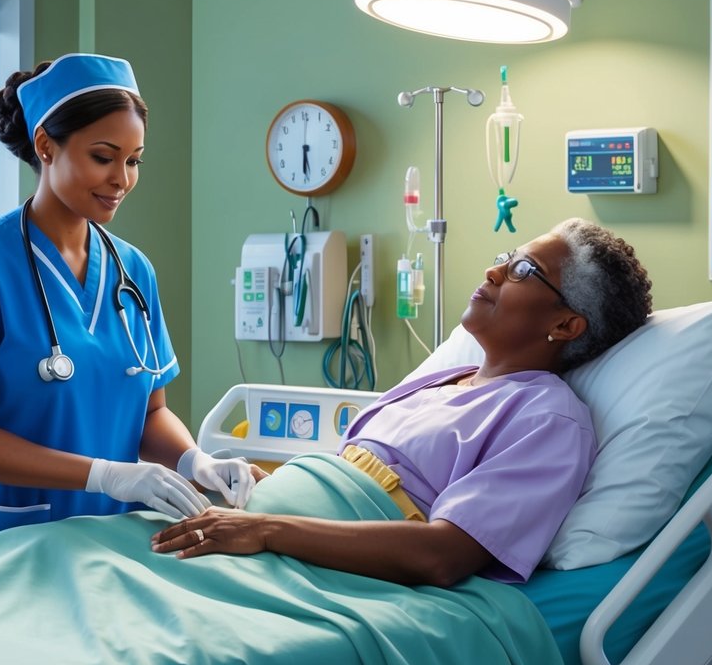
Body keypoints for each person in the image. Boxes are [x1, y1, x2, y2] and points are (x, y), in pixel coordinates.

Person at [153, 218, 653, 587]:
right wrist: (269, 489)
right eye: (506, 255)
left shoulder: (548, 419)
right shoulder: (441, 382)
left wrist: (267, 528)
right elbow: (348, 477)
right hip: (265, 537)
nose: (494, 270)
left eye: (523, 269)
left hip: (319, 577)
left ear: (565, 326)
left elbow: (442, 556)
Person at [0, 53, 260, 550]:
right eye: (103, 157)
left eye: (133, 160)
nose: (122, 179)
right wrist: (105, 475)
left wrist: (196, 460)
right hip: (7, 539)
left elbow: (151, 414)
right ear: (46, 146)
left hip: (114, 540)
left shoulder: (134, 271)